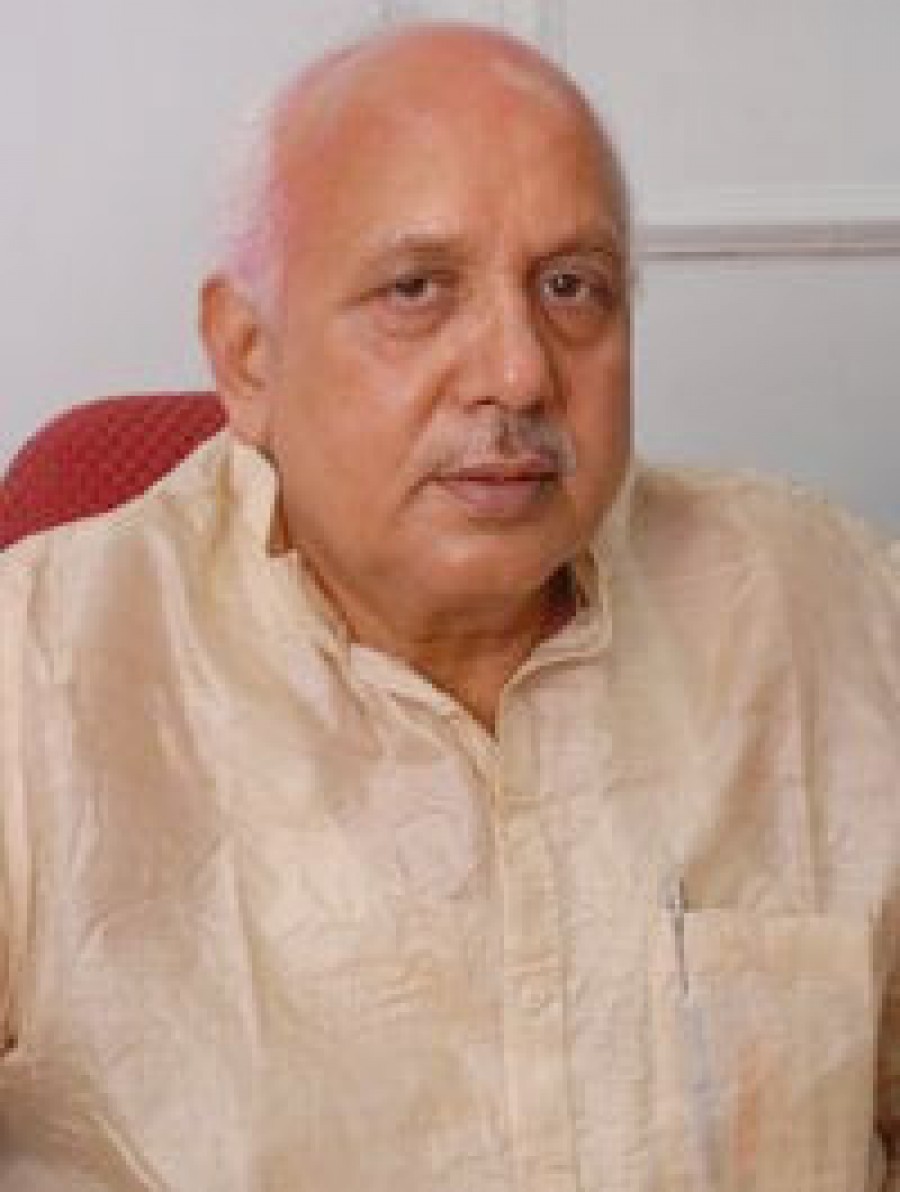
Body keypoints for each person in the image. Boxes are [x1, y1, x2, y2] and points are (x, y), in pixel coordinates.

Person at [1, 20, 898, 1192]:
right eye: (418, 290)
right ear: (249, 355)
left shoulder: (835, 610)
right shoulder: (36, 681)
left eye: (571, 286)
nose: (519, 371)